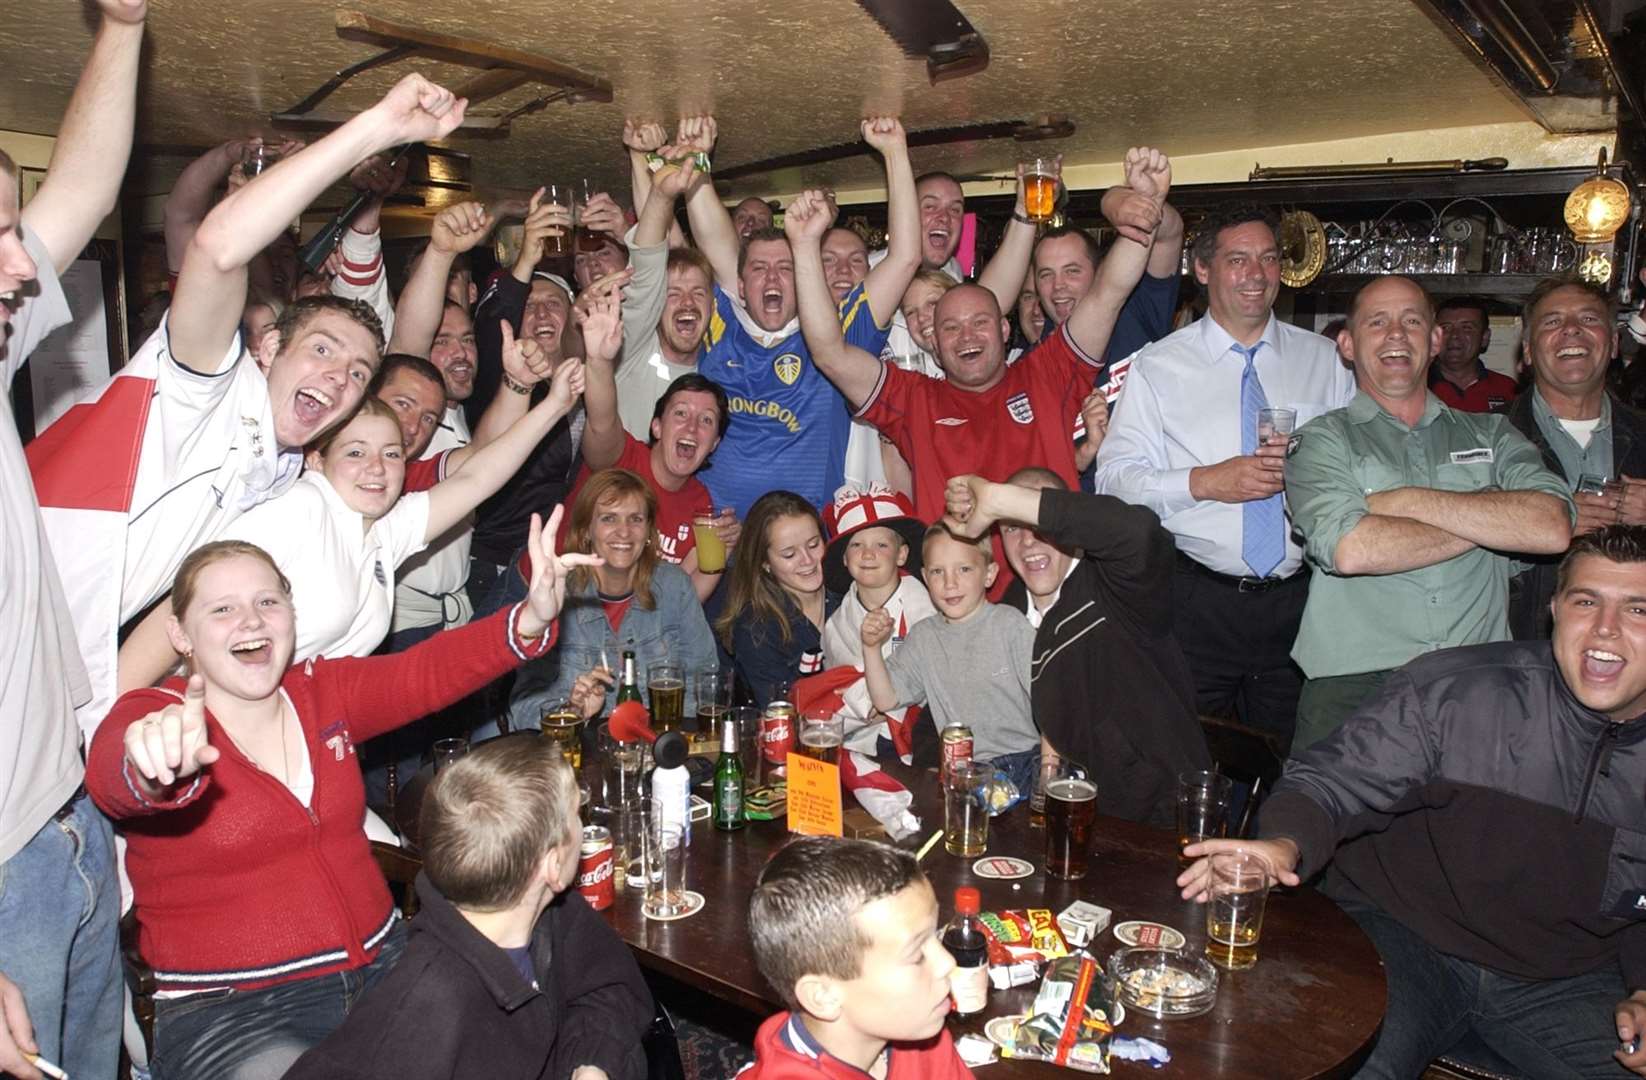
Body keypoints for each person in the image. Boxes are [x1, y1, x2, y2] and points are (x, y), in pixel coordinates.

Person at [29, 73, 468, 740]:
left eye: (356, 372)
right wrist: (379, 127)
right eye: (321, 350)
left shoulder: (292, 472)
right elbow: (213, 245)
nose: (339, 376)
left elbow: (408, 361)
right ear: (267, 348)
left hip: (71, 663)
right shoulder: (206, 386)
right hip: (24, 593)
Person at [87, 508, 590, 1080]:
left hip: (388, 968)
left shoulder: (322, 692)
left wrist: (528, 619)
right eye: (222, 609)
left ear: (290, 614)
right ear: (181, 634)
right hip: (236, 1014)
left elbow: (424, 672)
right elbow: (112, 772)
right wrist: (149, 766)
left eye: (268, 602)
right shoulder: (156, 715)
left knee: (523, 1041)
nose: (251, 621)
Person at [1180, 525, 1646, 1080]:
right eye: (1586, 601)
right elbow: (1331, 780)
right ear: (1554, 609)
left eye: (1638, 609)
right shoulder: (1459, 690)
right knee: (1337, 1062)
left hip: (1563, 979)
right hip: (1404, 939)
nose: (1605, 629)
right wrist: (1281, 844)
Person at [0, 2, 146, 1076]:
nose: (20, 263)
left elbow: (85, 193)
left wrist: (125, 24)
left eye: (14, 229)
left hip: (65, 826)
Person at [116, 353, 585, 683]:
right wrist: (113, 732)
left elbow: (475, 479)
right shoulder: (300, 509)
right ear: (318, 459)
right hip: (210, 728)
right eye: (356, 452)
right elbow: (175, 614)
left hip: (300, 731)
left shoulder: (381, 528)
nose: (376, 469)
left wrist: (555, 406)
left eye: (392, 454)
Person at [797, 148, 1173, 548]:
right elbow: (829, 353)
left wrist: (1146, 206)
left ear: (1004, 328)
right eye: (951, 328)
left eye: (980, 323)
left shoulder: (1047, 372)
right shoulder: (913, 399)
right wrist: (803, 244)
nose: (967, 336)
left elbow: (1108, 292)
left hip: (1052, 582)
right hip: (957, 597)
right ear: (935, 347)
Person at [1092, 202, 1358, 746]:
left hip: (1301, 602)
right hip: (1197, 601)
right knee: (1185, 756)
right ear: (1203, 269)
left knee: (1290, 762)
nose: (1256, 275)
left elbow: (1359, 468)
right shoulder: (1159, 365)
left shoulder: (1326, 361)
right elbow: (1114, 479)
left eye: (1266, 259)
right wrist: (1205, 481)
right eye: (1238, 260)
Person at [1283, 276, 1572, 751]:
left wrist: (1405, 501)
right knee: (1320, 823)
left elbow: (1553, 525)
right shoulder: (1320, 441)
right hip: (1355, 686)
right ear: (1348, 345)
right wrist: (1490, 515)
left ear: (1435, 340)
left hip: (1479, 680)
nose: (1396, 334)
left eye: (1412, 321)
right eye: (1378, 322)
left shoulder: (1493, 433)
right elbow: (1351, 548)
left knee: (1478, 827)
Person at [284, 737, 652, 1080]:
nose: (582, 825)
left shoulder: (552, 909)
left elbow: (605, 986)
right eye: (576, 816)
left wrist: (593, 1060)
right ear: (554, 865)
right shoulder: (421, 1016)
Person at [943, 469, 1211, 828]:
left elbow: (1140, 532)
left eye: (1039, 524)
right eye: (1012, 528)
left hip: (1158, 821)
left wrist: (999, 500)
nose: (1028, 542)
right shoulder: (1007, 612)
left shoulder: (1118, 585)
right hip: (1063, 817)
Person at [681, 115, 913, 516]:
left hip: (804, 549)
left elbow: (906, 257)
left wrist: (894, 152)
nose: (772, 277)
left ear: (805, 276)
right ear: (739, 285)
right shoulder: (720, 320)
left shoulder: (839, 334)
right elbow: (712, 236)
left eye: (786, 268)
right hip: (716, 545)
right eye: (758, 269)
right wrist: (698, 160)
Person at [744, 836, 971, 1080]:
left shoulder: (918, 1029)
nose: (947, 962)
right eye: (916, 955)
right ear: (823, 996)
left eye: (935, 934)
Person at [511, 468, 718, 728]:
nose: (624, 532)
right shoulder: (555, 597)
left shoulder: (674, 586)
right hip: (582, 753)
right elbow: (524, 707)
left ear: (648, 532)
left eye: (635, 519)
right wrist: (571, 710)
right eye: (609, 518)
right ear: (586, 530)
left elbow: (705, 678)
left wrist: (670, 738)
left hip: (662, 746)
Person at [1508, 276, 1646, 639]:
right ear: (1526, 351)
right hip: (1520, 654)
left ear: (1614, 343)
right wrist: (1539, 526)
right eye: (1552, 321)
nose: (1571, 330)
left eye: (1588, 319)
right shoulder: (1484, 441)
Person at [860, 525, 1041, 794]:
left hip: (1023, 764)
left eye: (964, 569)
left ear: (989, 574)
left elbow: (1051, 708)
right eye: (937, 572)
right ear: (925, 577)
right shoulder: (924, 636)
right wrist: (871, 648)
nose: (950, 583)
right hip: (962, 771)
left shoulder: (1009, 625)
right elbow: (886, 700)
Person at [818, 486, 935, 757]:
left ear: (902, 554)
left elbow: (933, 681)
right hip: (854, 741)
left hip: (919, 739)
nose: (868, 554)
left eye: (881, 545)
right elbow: (835, 685)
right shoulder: (837, 624)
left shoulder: (925, 610)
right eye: (857, 545)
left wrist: (883, 706)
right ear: (845, 559)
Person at [611, 149, 712, 436]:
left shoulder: (721, 366)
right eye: (673, 293)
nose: (687, 302)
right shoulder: (629, 347)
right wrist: (640, 159)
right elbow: (647, 263)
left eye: (698, 292)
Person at [716, 491, 841, 707]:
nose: (808, 560)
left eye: (813, 545)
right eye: (789, 554)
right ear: (765, 563)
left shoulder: (849, 594)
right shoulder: (756, 629)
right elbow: (782, 714)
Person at [1430, 296, 1518, 413]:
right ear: (1434, 336)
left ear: (1484, 338)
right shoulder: (1416, 387)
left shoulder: (1508, 389)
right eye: (1446, 328)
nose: (1454, 335)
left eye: (1467, 328)